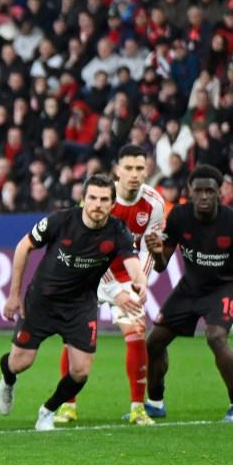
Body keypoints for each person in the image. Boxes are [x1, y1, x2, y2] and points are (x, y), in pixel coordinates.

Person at [0, 174, 147, 431]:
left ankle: (47, 411)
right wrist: (14, 294)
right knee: (19, 363)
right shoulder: (60, 221)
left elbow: (133, 264)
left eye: (104, 200)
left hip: (80, 306)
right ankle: (8, 379)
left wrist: (140, 282)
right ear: (83, 199)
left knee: (80, 371)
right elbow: (23, 247)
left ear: (112, 204)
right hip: (42, 302)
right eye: (93, 198)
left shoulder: (118, 230)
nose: (97, 204)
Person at [54, 145, 166, 426]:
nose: (134, 174)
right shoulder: (101, 198)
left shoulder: (154, 203)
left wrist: (140, 282)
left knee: (136, 333)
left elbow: (149, 249)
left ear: (147, 170)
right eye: (128, 168)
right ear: (117, 170)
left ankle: (138, 408)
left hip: (127, 274)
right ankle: (68, 405)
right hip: (88, 272)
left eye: (139, 168)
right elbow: (86, 246)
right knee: (73, 340)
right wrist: (113, 290)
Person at [144, 164, 233, 422]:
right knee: (153, 343)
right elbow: (161, 266)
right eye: (199, 191)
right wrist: (155, 252)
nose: (204, 196)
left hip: (224, 287)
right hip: (190, 287)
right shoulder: (178, 217)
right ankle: (155, 403)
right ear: (190, 192)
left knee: (216, 337)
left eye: (210, 191)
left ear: (220, 193)